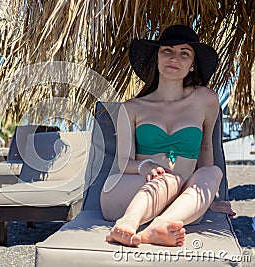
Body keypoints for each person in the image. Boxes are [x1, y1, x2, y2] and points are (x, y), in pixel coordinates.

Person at [100, 25, 234, 247]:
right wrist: (146, 167)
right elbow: (122, 162)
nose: (175, 58)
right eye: (167, 51)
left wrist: (209, 199)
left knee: (213, 172)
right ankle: (127, 223)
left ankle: (158, 227)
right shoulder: (132, 107)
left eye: (184, 53)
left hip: (181, 204)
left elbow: (206, 150)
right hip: (127, 193)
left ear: (192, 66)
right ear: (157, 58)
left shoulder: (206, 100)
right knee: (171, 178)